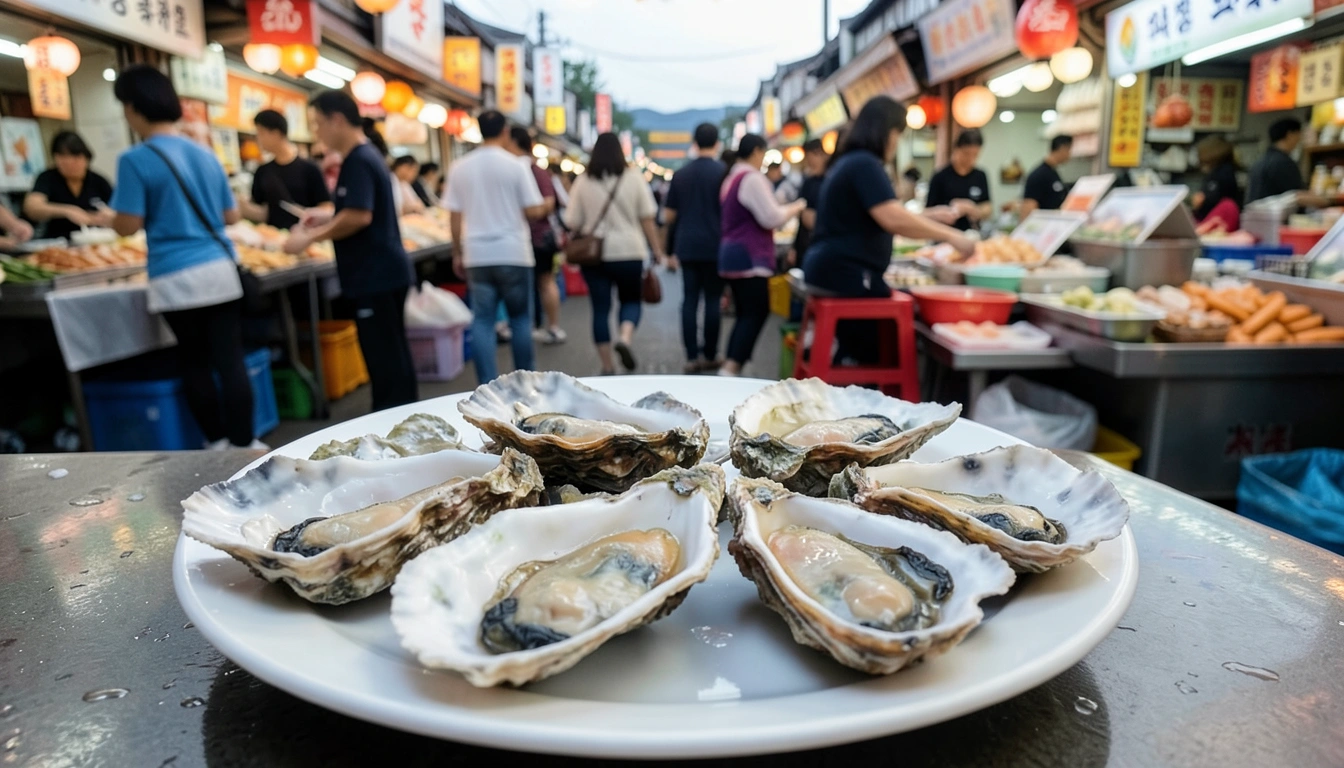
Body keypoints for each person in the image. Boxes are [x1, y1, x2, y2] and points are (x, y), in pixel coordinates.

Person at [108, 65, 261, 450]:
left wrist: (107, 217)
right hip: (219, 269)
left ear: (133, 108)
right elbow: (231, 216)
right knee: (230, 360)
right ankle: (245, 442)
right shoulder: (205, 154)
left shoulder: (135, 159)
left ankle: (217, 443)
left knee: (194, 362)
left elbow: (127, 225)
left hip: (174, 275)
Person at [803, 96, 975, 364]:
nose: (896, 143)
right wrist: (952, 236)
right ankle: (874, 384)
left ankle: (852, 367)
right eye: (897, 134)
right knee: (893, 342)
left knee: (869, 342)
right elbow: (892, 218)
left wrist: (929, 216)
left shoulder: (850, 162)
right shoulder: (864, 164)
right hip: (846, 275)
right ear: (885, 132)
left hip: (829, 271)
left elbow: (874, 216)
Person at [283, 90, 418, 412]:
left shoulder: (358, 159)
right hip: (383, 272)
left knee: (385, 358)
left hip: (376, 275)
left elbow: (360, 216)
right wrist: (327, 215)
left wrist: (310, 237)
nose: (316, 132)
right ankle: (402, 415)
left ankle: (392, 419)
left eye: (318, 124)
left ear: (337, 120)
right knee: (393, 353)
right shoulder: (365, 156)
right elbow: (356, 209)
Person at [443, 110, 548, 384]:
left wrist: (457, 251)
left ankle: (487, 385)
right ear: (504, 132)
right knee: (520, 320)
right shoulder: (516, 166)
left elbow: (454, 216)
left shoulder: (459, 167)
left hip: (477, 253)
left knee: (482, 321)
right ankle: (526, 383)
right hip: (514, 251)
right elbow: (534, 209)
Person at [564, 132, 667, 375]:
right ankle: (625, 337)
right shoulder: (634, 178)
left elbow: (571, 220)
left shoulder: (583, 180)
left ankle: (607, 365)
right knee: (631, 300)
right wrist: (658, 250)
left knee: (600, 308)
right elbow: (647, 218)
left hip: (594, 254)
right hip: (629, 250)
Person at [718, 134, 806, 377]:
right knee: (755, 311)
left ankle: (733, 365)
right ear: (757, 151)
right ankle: (731, 368)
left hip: (732, 254)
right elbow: (771, 217)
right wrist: (796, 207)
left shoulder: (732, 177)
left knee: (746, 312)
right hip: (749, 256)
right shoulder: (751, 178)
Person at [664, 122, 726, 373]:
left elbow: (669, 216)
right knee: (713, 300)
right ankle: (710, 353)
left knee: (689, 300)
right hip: (716, 245)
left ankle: (691, 356)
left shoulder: (681, 174)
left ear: (695, 142)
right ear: (717, 143)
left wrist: (669, 250)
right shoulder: (724, 172)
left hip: (687, 245)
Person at [508, 126, 565, 345]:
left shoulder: (532, 170)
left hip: (537, 238)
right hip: (533, 238)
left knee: (543, 281)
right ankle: (546, 326)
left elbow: (548, 204)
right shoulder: (533, 170)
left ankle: (550, 327)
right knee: (542, 282)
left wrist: (521, 211)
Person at [239, 109, 330, 230]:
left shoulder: (310, 169)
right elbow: (259, 208)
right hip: (272, 241)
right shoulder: (262, 171)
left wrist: (310, 215)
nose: (258, 139)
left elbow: (326, 206)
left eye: (261, 133)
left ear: (276, 133)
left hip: (305, 238)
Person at [24, 132, 115, 240]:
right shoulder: (48, 178)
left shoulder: (99, 181)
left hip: (96, 240)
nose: (69, 163)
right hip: (58, 241)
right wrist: (67, 211)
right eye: (62, 157)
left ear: (86, 158)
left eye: (75, 157)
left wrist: (107, 217)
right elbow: (32, 207)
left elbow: (118, 210)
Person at [1247, 118, 1327, 205]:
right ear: (1290, 135)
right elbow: (1297, 195)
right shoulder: (1283, 162)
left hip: (1255, 214)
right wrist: (1325, 201)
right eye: (1299, 134)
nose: (1300, 139)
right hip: (1275, 216)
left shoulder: (1260, 161)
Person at [926, 129, 992, 230]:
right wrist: (944, 212)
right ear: (956, 149)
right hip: (945, 233)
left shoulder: (980, 176)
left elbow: (988, 208)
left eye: (975, 155)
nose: (970, 159)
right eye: (966, 153)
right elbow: (928, 211)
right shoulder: (940, 176)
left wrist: (973, 209)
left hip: (973, 233)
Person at [791, 138, 829, 267]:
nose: (808, 161)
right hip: (806, 244)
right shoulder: (807, 182)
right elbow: (803, 217)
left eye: (810, 156)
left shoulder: (832, 180)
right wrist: (794, 247)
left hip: (825, 243)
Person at [1192, 136, 1241, 232]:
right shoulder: (1219, 171)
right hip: (1211, 221)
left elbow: (1212, 198)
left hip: (1218, 222)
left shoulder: (1224, 172)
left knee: (1228, 205)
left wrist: (1202, 199)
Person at [1021, 135, 1073, 217]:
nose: (1070, 155)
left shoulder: (1053, 173)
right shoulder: (1039, 175)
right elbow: (1027, 209)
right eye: (1069, 150)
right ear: (1063, 148)